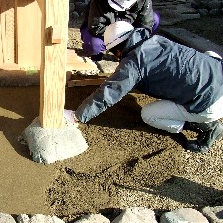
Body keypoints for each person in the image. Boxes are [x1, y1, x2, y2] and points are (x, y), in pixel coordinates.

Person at [65, 21, 223, 153]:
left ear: (118, 51)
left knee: (148, 114)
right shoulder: (157, 40)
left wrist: (78, 115)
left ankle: (207, 126)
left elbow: (108, 93)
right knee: (207, 56)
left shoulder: (134, 64)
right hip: (218, 75)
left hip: (209, 105)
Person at [81, 0, 160, 61]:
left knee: (155, 19)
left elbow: (146, 24)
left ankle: (136, 53)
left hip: (130, 28)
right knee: (93, 44)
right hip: (103, 31)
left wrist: (132, 39)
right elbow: (95, 27)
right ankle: (97, 56)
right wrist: (118, 41)